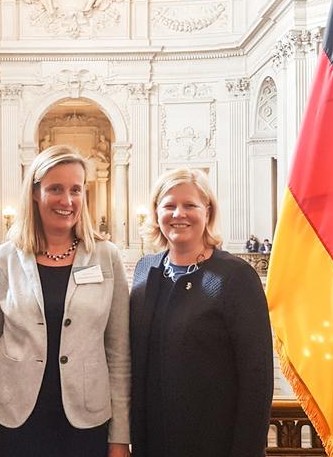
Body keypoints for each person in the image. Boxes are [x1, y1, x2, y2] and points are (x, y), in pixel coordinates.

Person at [0, 145, 130, 457]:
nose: (67, 200)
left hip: (86, 418)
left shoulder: (106, 256)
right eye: (55, 189)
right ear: (35, 193)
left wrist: (121, 435)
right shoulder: (3, 258)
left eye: (76, 189)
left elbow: (119, 352)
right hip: (11, 415)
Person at [130, 168, 273, 457]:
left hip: (214, 440)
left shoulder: (235, 276)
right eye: (169, 205)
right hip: (153, 441)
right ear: (156, 213)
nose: (178, 214)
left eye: (190, 205)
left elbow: (257, 378)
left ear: (207, 211)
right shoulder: (145, 269)